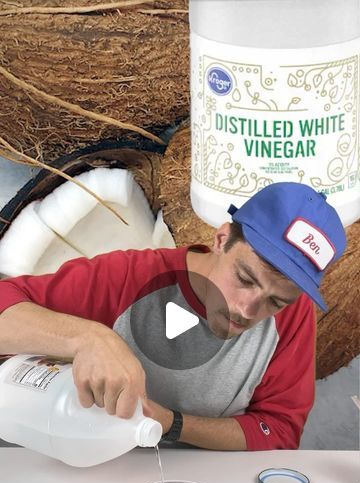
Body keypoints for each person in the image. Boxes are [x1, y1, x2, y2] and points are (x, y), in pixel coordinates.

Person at [0, 182, 346, 450]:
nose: (247, 310)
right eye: (244, 279)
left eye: (275, 301)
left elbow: (279, 431)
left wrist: (172, 423)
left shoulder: (292, 314)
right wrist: (90, 338)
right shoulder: (132, 276)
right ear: (221, 239)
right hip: (84, 468)